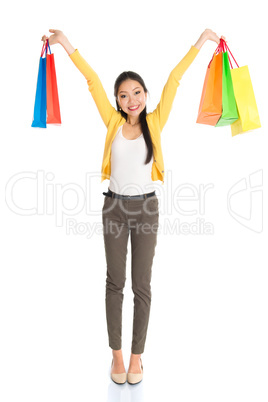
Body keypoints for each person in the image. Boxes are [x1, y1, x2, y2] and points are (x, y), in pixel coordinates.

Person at [42, 28, 223, 384]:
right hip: (113, 209)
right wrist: (65, 45)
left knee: (142, 284)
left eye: (137, 93)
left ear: (145, 95)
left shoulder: (154, 123)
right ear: (118, 101)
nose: (131, 99)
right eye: (124, 96)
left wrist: (201, 42)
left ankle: (137, 357)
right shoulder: (112, 122)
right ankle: (116, 356)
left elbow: (175, 79)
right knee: (114, 282)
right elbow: (92, 80)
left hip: (146, 211)